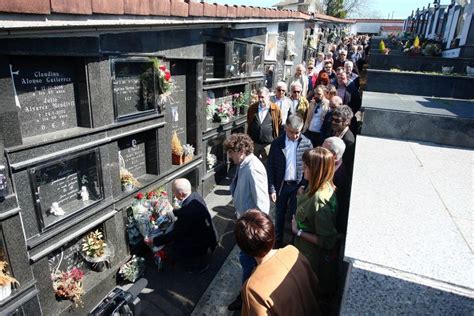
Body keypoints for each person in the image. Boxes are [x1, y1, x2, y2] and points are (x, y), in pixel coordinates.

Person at [236, 210, 321, 316]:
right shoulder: (292, 251)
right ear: (271, 233)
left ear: (243, 248)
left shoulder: (252, 288)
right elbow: (315, 284)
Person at [224, 133, 270, 311]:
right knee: (247, 263)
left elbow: (262, 205)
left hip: (251, 230)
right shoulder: (244, 164)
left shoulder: (253, 168)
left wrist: (254, 233)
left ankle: (245, 298)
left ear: (241, 150)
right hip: (244, 223)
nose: (229, 156)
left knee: (247, 263)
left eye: (231, 152)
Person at [291, 147, 340, 312]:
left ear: (317, 170)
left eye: (306, 167)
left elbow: (327, 241)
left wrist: (297, 231)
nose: (303, 169)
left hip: (310, 257)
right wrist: (301, 196)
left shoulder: (320, 200)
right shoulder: (318, 186)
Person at [146, 178, 217, 273]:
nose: (173, 194)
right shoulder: (195, 196)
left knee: (175, 245)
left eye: (173, 192)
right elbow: (186, 210)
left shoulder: (187, 214)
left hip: (200, 244)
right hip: (208, 235)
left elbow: (175, 234)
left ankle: (197, 265)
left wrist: (154, 240)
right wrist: (174, 212)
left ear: (180, 194)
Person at [267, 115, 313, 248]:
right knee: (279, 214)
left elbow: (310, 166)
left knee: (295, 215)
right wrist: (271, 188)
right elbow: (270, 166)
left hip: (297, 187)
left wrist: (304, 184)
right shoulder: (277, 143)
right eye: (292, 132)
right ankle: (278, 241)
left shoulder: (307, 143)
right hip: (281, 186)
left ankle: (292, 244)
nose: (295, 136)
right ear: (286, 128)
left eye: (297, 132)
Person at [322, 137, 350, 235]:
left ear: (333, 155)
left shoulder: (340, 175)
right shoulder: (330, 167)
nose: (320, 151)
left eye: (323, 150)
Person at [247, 87, 282, 163]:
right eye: (259, 97)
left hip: (268, 145)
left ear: (268, 97)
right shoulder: (252, 108)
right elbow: (249, 122)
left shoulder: (275, 109)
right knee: (253, 163)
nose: (260, 99)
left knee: (267, 164)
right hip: (254, 143)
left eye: (262, 97)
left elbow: (279, 124)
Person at [329, 105, 355, 177]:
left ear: (346, 122)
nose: (333, 122)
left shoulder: (349, 141)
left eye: (337, 120)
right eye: (332, 119)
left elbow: (346, 163)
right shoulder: (334, 130)